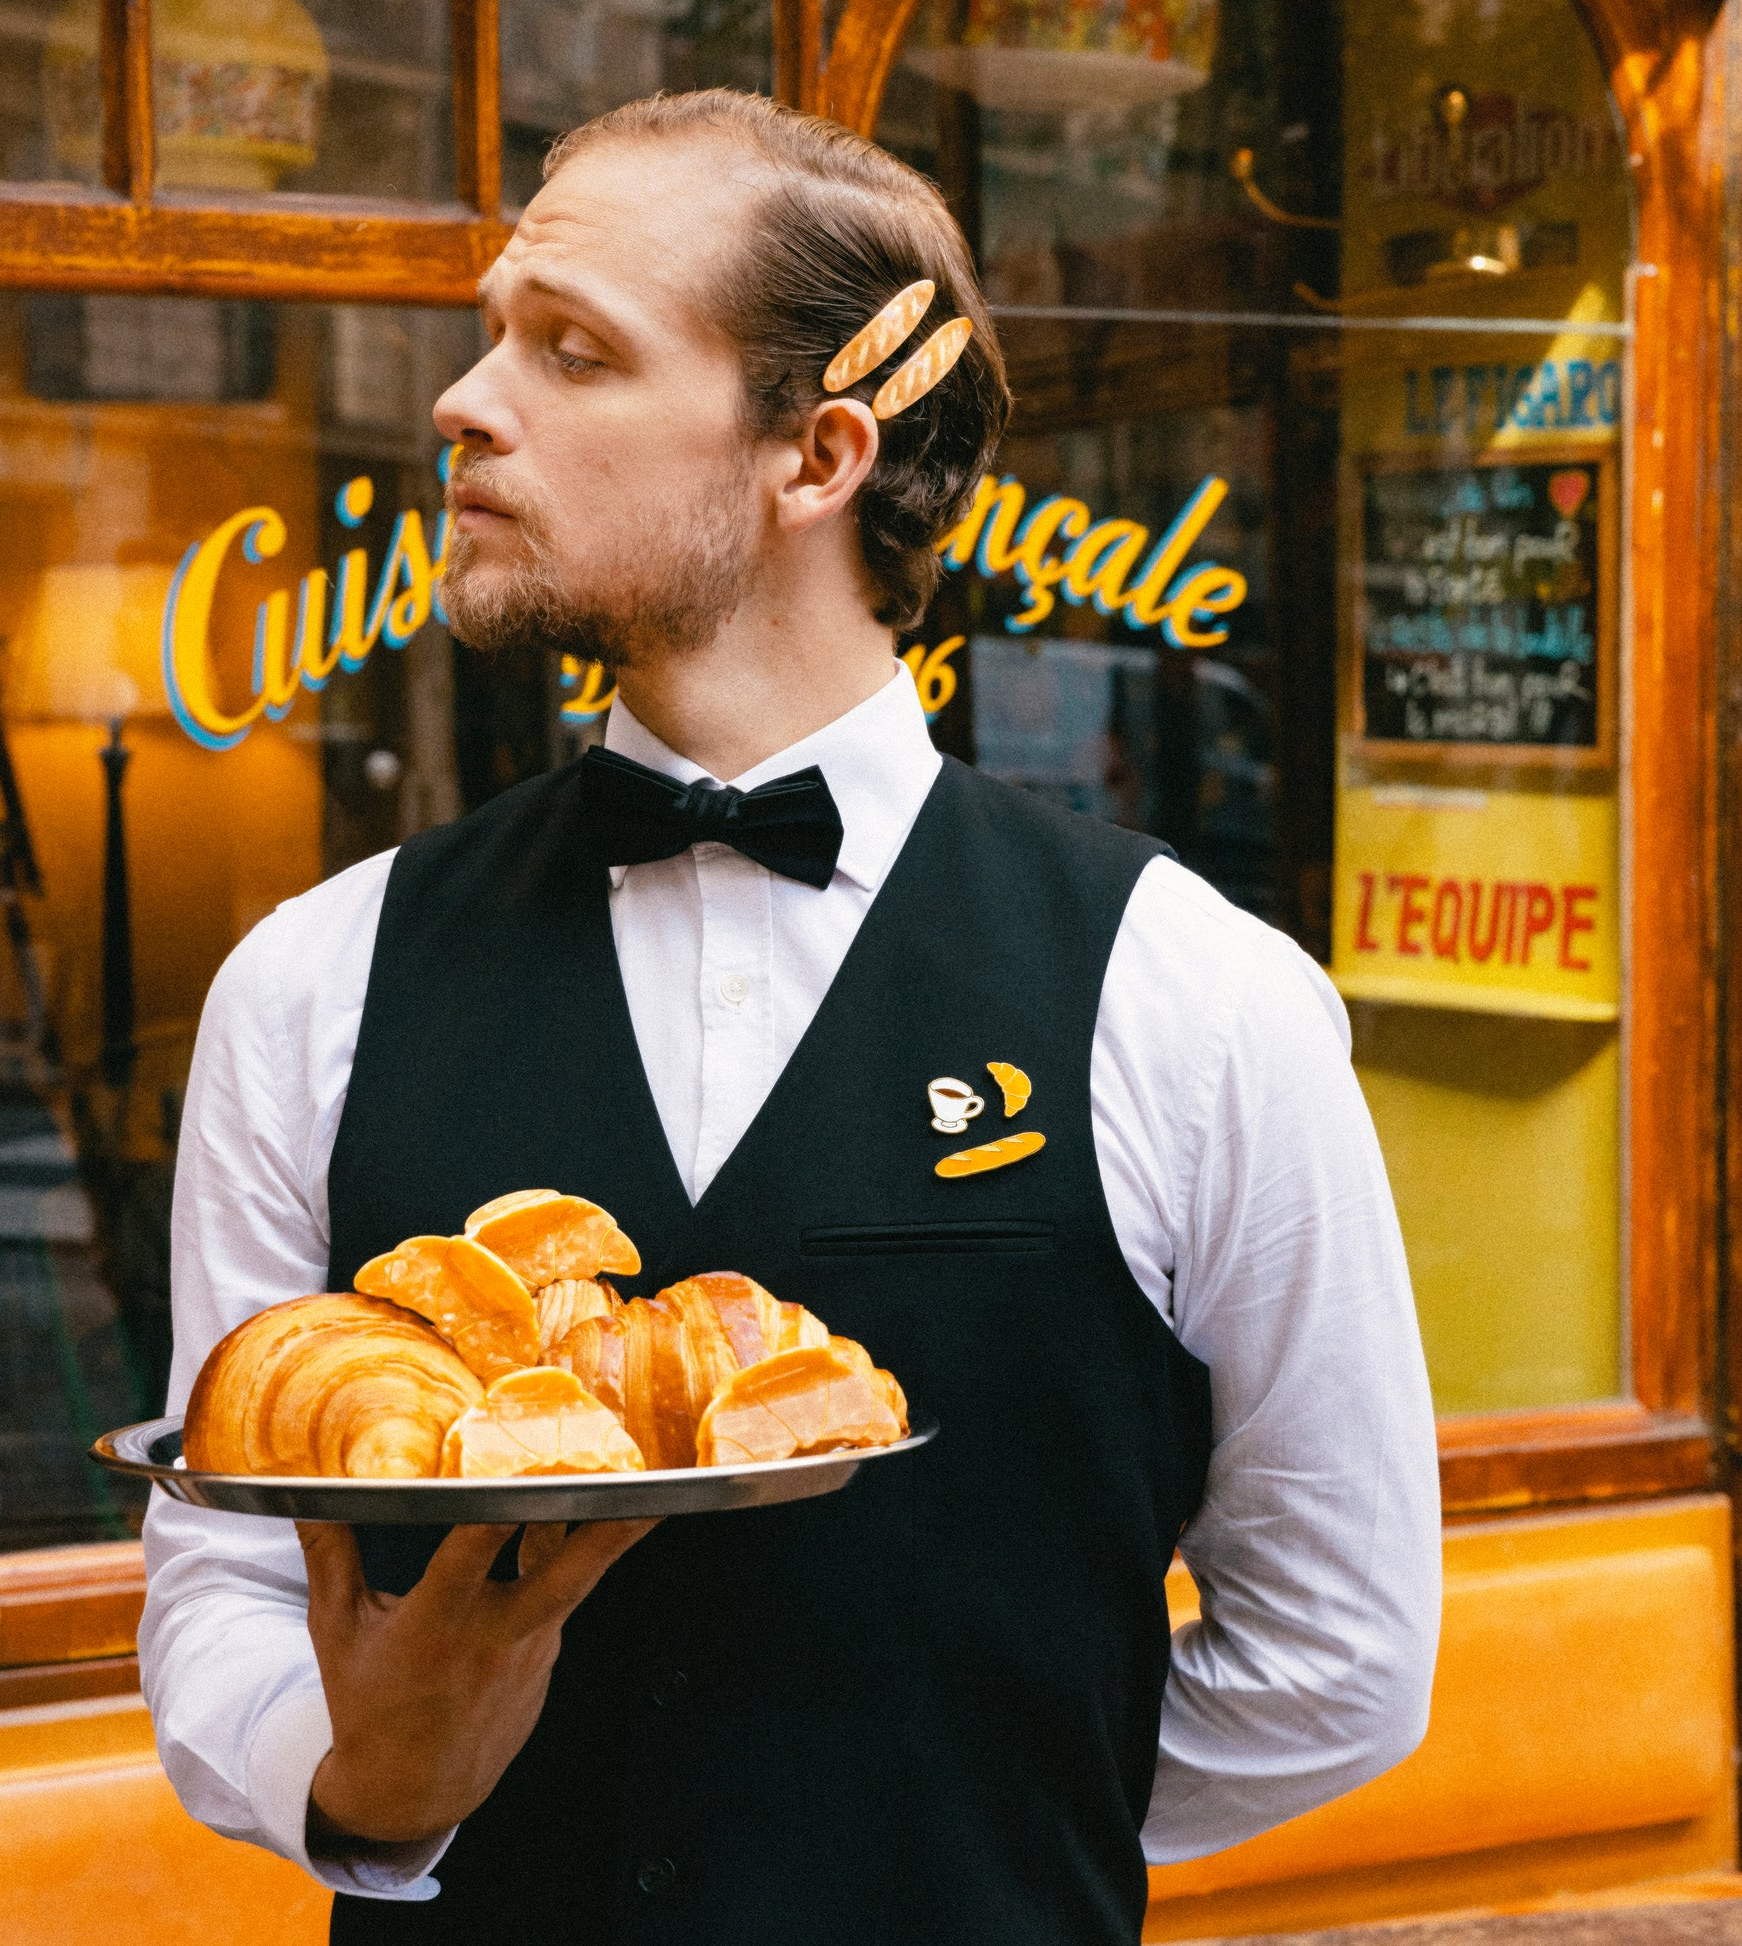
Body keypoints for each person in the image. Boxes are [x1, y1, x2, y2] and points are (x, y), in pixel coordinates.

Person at [140, 88, 1441, 1946]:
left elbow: (1339, 1651)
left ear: (815, 454)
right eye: (493, 332)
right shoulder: (310, 981)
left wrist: (972, 1819)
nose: (463, 400)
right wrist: (361, 1786)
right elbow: (221, 1583)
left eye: (572, 349)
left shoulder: (1196, 997)